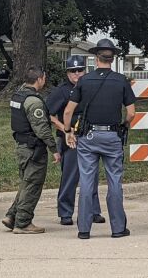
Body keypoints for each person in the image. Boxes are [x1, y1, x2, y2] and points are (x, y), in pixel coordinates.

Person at [62, 39, 135, 239]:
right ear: (113, 58)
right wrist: (124, 125)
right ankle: (118, 228)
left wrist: (68, 131)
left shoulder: (84, 81)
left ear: (96, 58)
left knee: (86, 181)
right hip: (112, 136)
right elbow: (131, 113)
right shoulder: (121, 81)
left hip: (88, 136)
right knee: (114, 181)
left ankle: (84, 229)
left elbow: (68, 111)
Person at [47, 55, 104, 226]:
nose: (77, 74)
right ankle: (65, 212)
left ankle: (93, 211)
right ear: (67, 73)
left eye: (80, 70)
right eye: (73, 71)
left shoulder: (90, 87)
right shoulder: (62, 91)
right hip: (70, 138)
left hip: (89, 136)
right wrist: (65, 129)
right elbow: (48, 114)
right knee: (70, 176)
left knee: (92, 176)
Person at [3, 66, 61, 234]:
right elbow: (42, 129)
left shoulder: (18, 95)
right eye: (44, 78)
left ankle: (12, 216)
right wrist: (53, 148)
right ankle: (23, 223)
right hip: (33, 149)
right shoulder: (34, 101)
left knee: (25, 184)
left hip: (21, 146)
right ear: (40, 79)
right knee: (33, 185)